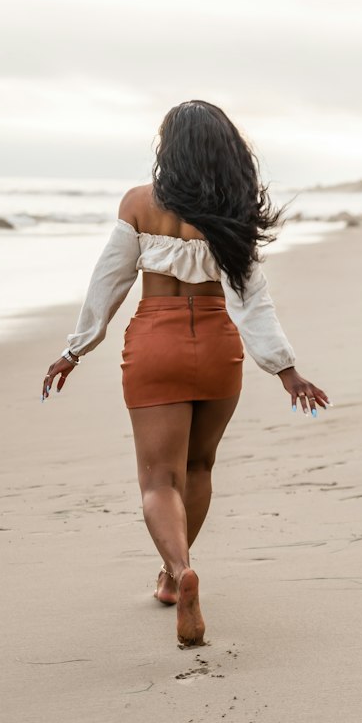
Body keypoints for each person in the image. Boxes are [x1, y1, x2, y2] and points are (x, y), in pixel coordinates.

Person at [41, 100, 329, 646]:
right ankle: (173, 581)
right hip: (218, 347)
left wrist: (76, 349)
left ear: (168, 149)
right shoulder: (231, 214)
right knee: (198, 467)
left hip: (156, 342)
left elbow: (108, 283)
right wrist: (285, 370)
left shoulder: (138, 204)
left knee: (158, 480)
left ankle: (178, 572)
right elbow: (252, 301)